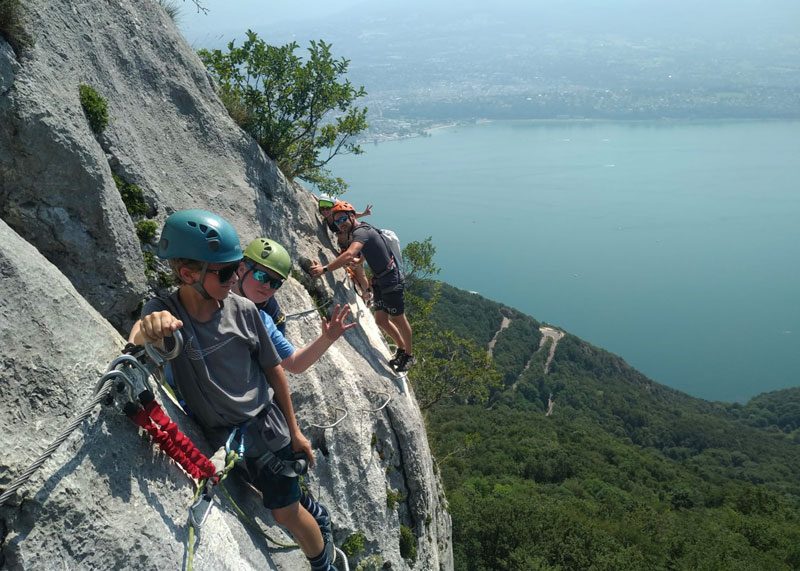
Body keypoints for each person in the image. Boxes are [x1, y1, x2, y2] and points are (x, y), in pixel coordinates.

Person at [128, 209, 337, 571]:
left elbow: (276, 373)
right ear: (188, 274)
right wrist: (150, 328)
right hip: (225, 438)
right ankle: (313, 515)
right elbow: (139, 335)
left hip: (267, 431)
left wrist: (297, 432)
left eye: (235, 268)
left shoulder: (243, 311)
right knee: (278, 495)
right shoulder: (165, 310)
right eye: (225, 272)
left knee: (285, 512)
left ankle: (324, 565)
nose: (233, 278)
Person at [309, 202, 415, 373]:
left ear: (352, 216)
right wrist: (361, 261)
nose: (341, 223)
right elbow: (375, 246)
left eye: (343, 218)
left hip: (391, 281)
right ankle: (402, 348)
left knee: (398, 319)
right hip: (380, 280)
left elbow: (350, 253)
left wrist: (325, 269)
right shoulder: (363, 229)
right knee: (380, 320)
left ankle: (409, 356)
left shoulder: (360, 232)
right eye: (337, 221)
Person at [235, 237, 356, 373]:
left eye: (276, 283)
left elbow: (294, 363)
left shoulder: (262, 320)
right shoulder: (212, 286)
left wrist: (327, 339)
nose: (267, 286)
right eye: (262, 276)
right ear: (241, 269)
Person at [317, 196, 372, 299]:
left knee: (360, 273)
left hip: (353, 249)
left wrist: (364, 214)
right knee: (354, 270)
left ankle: (368, 293)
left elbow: (350, 217)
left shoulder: (337, 217)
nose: (325, 211)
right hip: (344, 247)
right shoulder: (330, 218)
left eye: (328, 208)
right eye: (322, 208)